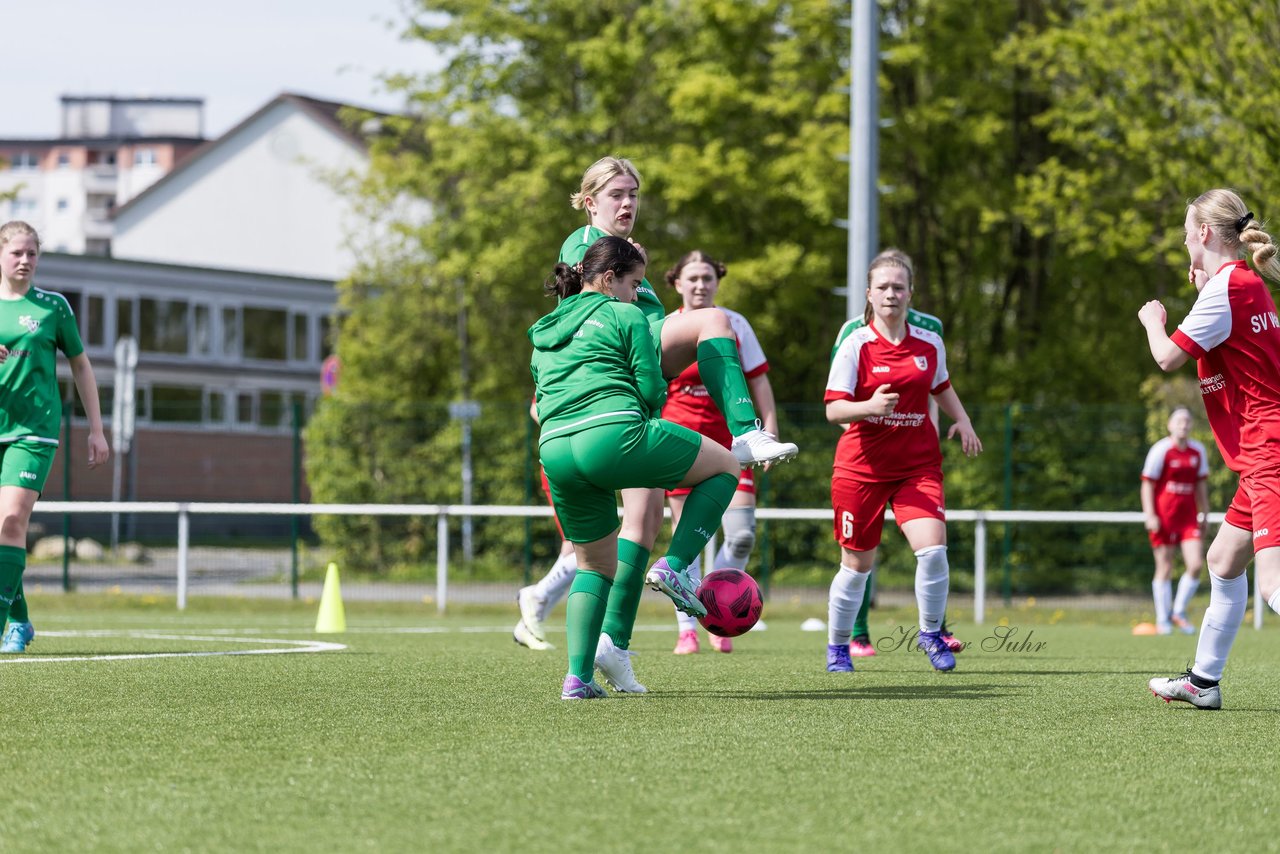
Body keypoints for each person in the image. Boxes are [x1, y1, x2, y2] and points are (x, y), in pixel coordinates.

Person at [553, 156, 798, 693]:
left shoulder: (625, 256)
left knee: (637, 527)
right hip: (618, 373)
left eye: (634, 194)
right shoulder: (584, 246)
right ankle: (745, 432)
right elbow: (594, 314)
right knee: (715, 319)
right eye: (616, 193)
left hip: (600, 407)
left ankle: (609, 652)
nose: (627, 203)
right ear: (590, 200)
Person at [528, 236, 740, 699]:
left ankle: (578, 679)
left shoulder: (544, 329)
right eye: (635, 284)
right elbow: (650, 389)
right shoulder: (625, 314)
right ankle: (678, 567)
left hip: (556, 450)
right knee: (726, 464)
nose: (636, 294)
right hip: (611, 433)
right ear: (608, 279)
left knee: (594, 566)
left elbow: (540, 405)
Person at [1140, 189, 1280, 710]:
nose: (1182, 243)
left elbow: (1167, 359)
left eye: (1185, 233)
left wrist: (1154, 319)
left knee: (1272, 583)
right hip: (1260, 453)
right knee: (1222, 562)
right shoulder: (1246, 284)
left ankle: (1203, 681)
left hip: (1269, 448)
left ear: (1203, 234)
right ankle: (1203, 681)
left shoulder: (1225, 291)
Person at [823, 248, 982, 674]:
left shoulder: (929, 342)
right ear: (869, 295)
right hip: (861, 471)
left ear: (911, 293)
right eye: (883, 287)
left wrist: (963, 421)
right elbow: (834, 410)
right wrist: (868, 406)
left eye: (899, 286)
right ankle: (838, 647)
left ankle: (930, 634)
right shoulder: (855, 344)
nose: (891, 294)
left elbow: (941, 386)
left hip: (918, 466)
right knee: (856, 569)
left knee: (933, 552)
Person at [0, 221, 109, 653]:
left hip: (34, 432)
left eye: (31, 253)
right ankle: (19, 621)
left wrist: (96, 430)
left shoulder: (53, 307)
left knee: (10, 521)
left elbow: (81, 365)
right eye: (16, 253)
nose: (25, 261)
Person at [660, 250, 775, 655]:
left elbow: (758, 381)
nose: (700, 284)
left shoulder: (733, 324)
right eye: (691, 278)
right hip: (681, 444)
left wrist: (769, 430)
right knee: (686, 538)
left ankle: (719, 605)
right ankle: (687, 627)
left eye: (707, 277)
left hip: (731, 445)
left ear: (717, 281)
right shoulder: (665, 325)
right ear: (677, 283)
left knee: (742, 535)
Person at [1138, 407, 1209, 636]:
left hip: (1188, 518)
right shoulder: (1161, 450)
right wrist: (1150, 515)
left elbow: (1200, 485)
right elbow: (1147, 483)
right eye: (1179, 420)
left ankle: (1178, 611)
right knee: (1165, 566)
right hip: (1164, 517)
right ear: (1170, 425)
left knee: (1196, 564)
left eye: (1187, 420)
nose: (1183, 424)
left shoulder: (1198, 451)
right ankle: (1163, 619)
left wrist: (1205, 512)